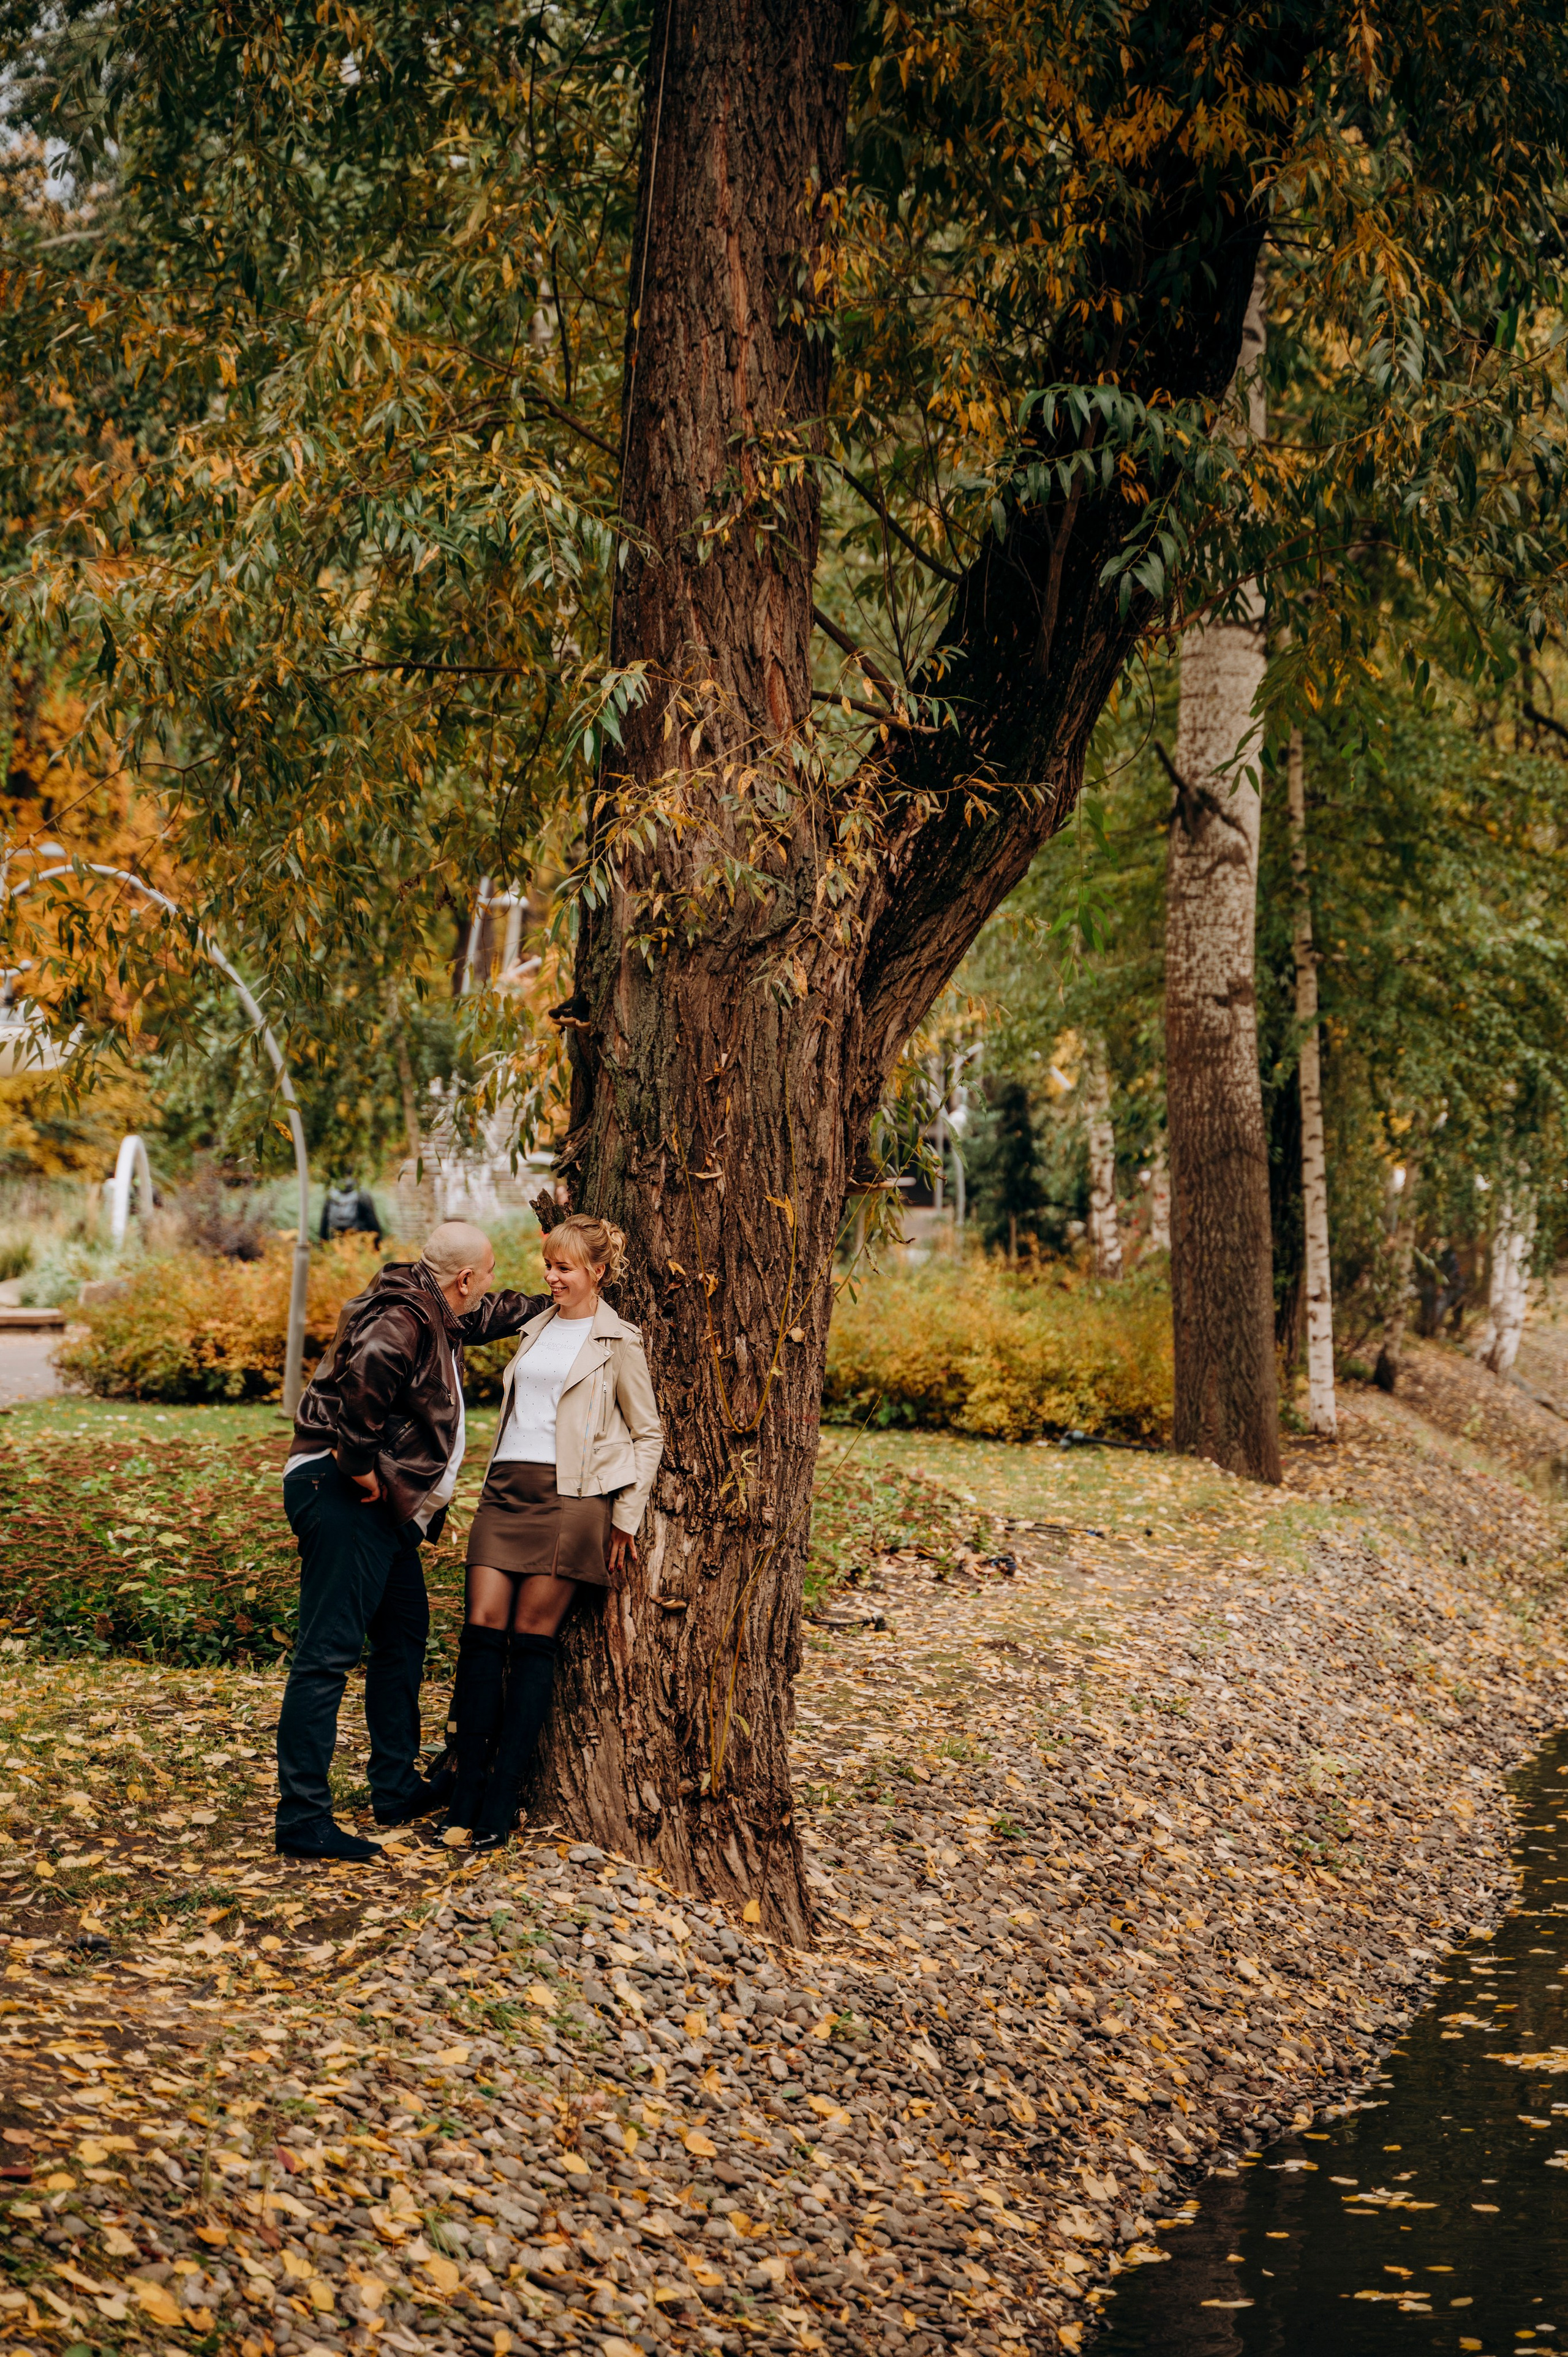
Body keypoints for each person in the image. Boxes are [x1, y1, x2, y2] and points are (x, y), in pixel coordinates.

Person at [274, 1220, 548, 1863]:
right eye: (483, 1278)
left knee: (403, 1638)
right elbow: (367, 1375)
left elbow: (494, 1314)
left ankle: (395, 1786)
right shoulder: (403, 1317)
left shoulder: (439, 1311)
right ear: (463, 1278)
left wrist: (559, 1300)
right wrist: (357, 1459)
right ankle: (303, 1818)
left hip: (381, 1508)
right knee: (327, 1653)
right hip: (343, 1491)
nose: (487, 1291)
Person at [442, 1212, 663, 1852]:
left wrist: (626, 1515)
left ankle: (501, 1802)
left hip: (571, 1499)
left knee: (531, 1644)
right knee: (482, 1636)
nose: (551, 1275)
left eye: (564, 1267)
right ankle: (463, 1795)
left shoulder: (619, 1340)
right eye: (549, 1264)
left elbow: (648, 1432)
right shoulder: (533, 1326)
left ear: (596, 1272)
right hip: (505, 1489)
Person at [321, 1177, 383, 1245]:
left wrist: (323, 1246)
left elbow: (324, 1224)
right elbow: (373, 1224)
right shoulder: (363, 1195)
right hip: (358, 1243)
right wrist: (377, 1245)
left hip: (337, 1242)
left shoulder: (331, 1195)